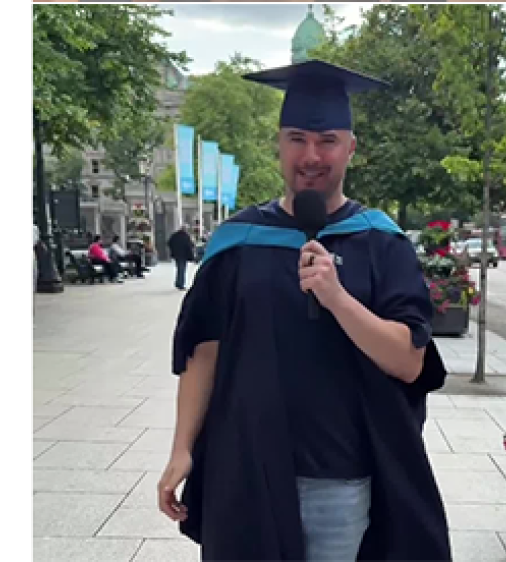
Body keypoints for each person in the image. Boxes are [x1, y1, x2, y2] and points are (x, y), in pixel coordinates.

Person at [158, 59, 451, 562]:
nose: (311, 155)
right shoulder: (237, 242)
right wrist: (182, 447)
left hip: (337, 478)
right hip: (244, 467)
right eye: (297, 138)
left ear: (351, 148)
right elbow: (203, 347)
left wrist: (337, 298)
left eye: (328, 140)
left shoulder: (381, 242)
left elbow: (409, 361)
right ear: (278, 144)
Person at [167, 226, 195, 290]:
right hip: (183, 255)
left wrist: (173, 250)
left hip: (176, 255)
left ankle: (178, 283)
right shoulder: (186, 236)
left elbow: (169, 243)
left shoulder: (174, 235)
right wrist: (192, 257)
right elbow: (189, 246)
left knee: (179, 269)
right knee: (182, 269)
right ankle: (180, 284)